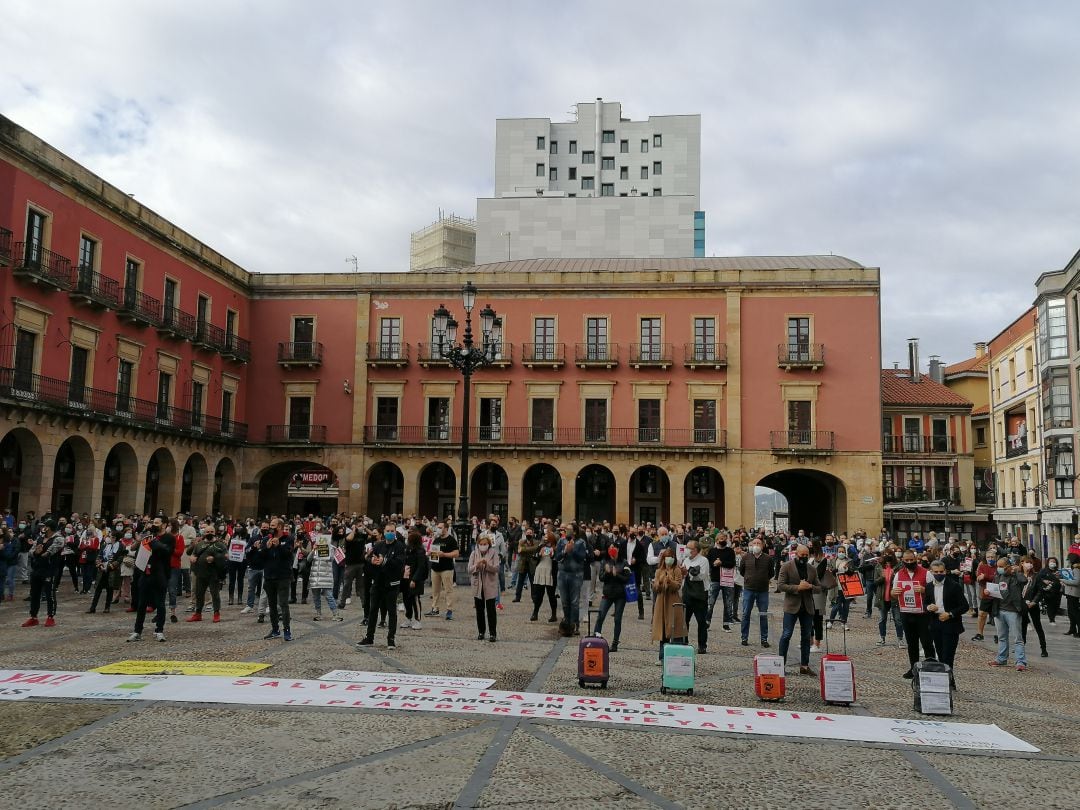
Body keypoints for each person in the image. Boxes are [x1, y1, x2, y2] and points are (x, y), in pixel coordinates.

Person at [127, 519, 177, 643]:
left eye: (157, 523)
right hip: (145, 574)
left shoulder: (169, 538)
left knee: (160, 603)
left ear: (164, 525)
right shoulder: (147, 537)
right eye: (153, 523)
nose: (154, 525)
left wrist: (154, 542)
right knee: (141, 603)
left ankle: (159, 630)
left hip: (160, 574)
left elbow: (167, 552)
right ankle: (137, 631)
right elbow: (139, 553)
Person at [357, 523, 406, 649]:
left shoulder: (400, 546)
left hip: (392, 584)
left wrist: (385, 561)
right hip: (378, 582)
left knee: (391, 612)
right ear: (383, 532)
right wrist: (371, 561)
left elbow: (400, 563)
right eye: (388, 531)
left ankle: (391, 639)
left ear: (395, 532)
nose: (390, 533)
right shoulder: (379, 545)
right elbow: (368, 558)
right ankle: (369, 638)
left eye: (392, 531)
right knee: (373, 610)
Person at [776, 543, 820, 675]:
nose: (805, 557)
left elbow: (819, 588)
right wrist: (797, 588)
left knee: (806, 637)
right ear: (796, 554)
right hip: (791, 606)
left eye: (807, 555)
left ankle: (804, 666)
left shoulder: (812, 569)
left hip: (807, 607)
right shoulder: (786, 566)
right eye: (802, 555)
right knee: (786, 635)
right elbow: (781, 585)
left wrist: (810, 586)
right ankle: (780, 665)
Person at [893, 549, 936, 678]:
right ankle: (914, 668)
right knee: (911, 643)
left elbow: (935, 592)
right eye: (907, 560)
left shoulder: (926, 573)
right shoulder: (899, 574)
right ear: (903, 561)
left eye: (912, 560)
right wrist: (895, 593)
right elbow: (893, 594)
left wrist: (924, 590)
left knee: (927, 642)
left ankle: (931, 667)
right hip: (906, 612)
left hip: (923, 613)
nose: (910, 562)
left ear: (916, 559)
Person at [925, 559, 967, 686]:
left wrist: (950, 614)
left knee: (948, 654)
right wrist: (928, 607)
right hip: (935, 622)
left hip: (951, 623)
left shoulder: (954, 585)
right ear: (931, 572)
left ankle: (948, 681)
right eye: (936, 572)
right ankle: (946, 680)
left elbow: (964, 606)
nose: (939, 574)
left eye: (941, 571)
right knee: (940, 652)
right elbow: (925, 602)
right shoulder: (928, 586)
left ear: (945, 571)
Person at [988, 555, 1028, 670]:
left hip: (1013, 610)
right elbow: (994, 588)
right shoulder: (997, 576)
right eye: (998, 566)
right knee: (1002, 636)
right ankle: (1001, 658)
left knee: (1017, 637)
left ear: (1007, 566)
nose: (999, 568)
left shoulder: (1014, 577)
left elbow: (1024, 580)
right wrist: (988, 592)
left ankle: (1020, 661)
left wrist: (1016, 572)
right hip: (999, 609)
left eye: (1001, 566)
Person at [23, 520, 63, 627]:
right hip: (37, 569)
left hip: (50, 570)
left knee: (50, 594)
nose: (43, 528)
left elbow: (50, 551)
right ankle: (33, 617)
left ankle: (50, 616)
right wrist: (36, 552)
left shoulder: (58, 538)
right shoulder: (40, 538)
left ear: (49, 528)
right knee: (34, 593)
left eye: (45, 526)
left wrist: (43, 552)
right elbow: (32, 551)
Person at [259, 519, 295, 641]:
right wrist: (266, 548)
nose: (270, 528)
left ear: (279, 527)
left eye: (273, 526)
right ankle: (275, 629)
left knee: (284, 604)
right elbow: (261, 558)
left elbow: (289, 555)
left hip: (283, 577)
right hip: (269, 577)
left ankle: (287, 630)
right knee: (272, 605)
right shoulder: (266, 539)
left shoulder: (288, 539)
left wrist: (279, 546)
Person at [651, 547, 686, 664]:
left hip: (673, 602)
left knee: (675, 628)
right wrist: (660, 582)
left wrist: (670, 582)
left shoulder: (677, 570)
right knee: (663, 630)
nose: (669, 559)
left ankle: (677, 655)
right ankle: (662, 657)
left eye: (671, 557)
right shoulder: (659, 571)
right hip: (661, 603)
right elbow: (655, 588)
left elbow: (678, 585)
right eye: (666, 557)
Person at [593, 544, 630, 651]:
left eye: (614, 548)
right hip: (607, 594)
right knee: (600, 617)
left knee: (617, 619)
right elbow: (601, 578)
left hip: (620, 595)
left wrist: (616, 574)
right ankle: (596, 639)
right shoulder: (604, 561)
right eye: (610, 548)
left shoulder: (624, 562)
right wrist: (607, 573)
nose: (612, 550)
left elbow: (627, 578)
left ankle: (615, 643)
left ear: (618, 550)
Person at [187, 527, 226, 623]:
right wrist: (192, 557)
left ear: (215, 532)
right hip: (200, 573)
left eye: (212, 531)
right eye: (207, 532)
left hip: (214, 574)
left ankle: (216, 613)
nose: (209, 533)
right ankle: (198, 613)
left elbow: (226, 556)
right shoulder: (199, 544)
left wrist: (214, 558)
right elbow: (194, 554)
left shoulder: (220, 544)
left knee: (215, 594)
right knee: (199, 594)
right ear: (204, 533)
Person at [738, 538, 772, 648]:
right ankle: (744, 637)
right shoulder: (745, 557)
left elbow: (771, 573)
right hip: (749, 589)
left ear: (762, 546)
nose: (756, 545)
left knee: (763, 614)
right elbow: (742, 571)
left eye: (758, 543)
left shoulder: (768, 558)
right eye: (754, 543)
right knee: (746, 613)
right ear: (751, 545)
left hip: (763, 591)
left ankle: (764, 639)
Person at [556, 528, 588, 633]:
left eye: (570, 529)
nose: (568, 532)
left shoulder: (581, 542)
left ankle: (575, 624)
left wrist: (573, 550)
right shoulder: (561, 541)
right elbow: (557, 557)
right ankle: (566, 624)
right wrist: (565, 551)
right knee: (565, 601)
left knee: (574, 602)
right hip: (562, 574)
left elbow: (582, 558)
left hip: (576, 575)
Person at [469, 533, 500, 642]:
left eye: (485, 544)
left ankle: (493, 633)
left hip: (489, 585)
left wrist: (487, 565)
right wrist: (477, 566)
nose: (483, 545)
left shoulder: (494, 553)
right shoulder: (474, 553)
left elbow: (496, 568)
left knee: (491, 610)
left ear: (488, 544)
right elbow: (469, 569)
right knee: (479, 610)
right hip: (478, 585)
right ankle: (481, 632)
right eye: (481, 544)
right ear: (478, 544)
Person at [682, 540, 711, 654]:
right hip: (687, 593)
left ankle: (702, 645)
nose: (687, 550)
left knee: (701, 621)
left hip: (700, 594)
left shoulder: (703, 560)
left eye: (689, 548)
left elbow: (701, 575)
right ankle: (684, 642)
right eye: (686, 547)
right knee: (685, 620)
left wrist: (688, 572)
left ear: (696, 550)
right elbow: (684, 576)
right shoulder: (686, 560)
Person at [87, 530, 125, 614]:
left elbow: (120, 558)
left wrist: (111, 566)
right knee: (98, 589)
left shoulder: (121, 546)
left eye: (110, 536)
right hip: (102, 570)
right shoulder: (105, 545)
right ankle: (92, 607)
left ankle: (107, 607)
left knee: (109, 589)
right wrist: (99, 564)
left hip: (112, 571)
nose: (108, 537)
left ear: (115, 538)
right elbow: (99, 555)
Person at [309, 529, 342, 622]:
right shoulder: (315, 546)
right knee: (316, 597)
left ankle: (336, 614)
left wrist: (325, 549)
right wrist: (314, 550)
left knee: (329, 596)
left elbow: (331, 559)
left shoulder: (332, 548)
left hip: (326, 576)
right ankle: (318, 614)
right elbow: (308, 559)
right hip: (315, 576)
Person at [427, 523, 458, 621]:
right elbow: (433, 551)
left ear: (446, 528)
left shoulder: (451, 540)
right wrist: (430, 553)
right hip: (435, 568)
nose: (438, 529)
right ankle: (435, 608)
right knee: (435, 590)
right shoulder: (436, 539)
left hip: (447, 568)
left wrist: (444, 554)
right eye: (438, 527)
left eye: (440, 527)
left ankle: (449, 610)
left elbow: (456, 553)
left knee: (448, 590)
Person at [1020, 558, 1050, 658]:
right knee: (1023, 626)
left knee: (1038, 626)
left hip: (1033, 604)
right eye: (1027, 563)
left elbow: (1040, 591)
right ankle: (1021, 647)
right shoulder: (1018, 576)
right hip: (1022, 604)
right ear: (1022, 564)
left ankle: (1044, 649)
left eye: (1030, 563)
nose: (1028, 565)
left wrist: (1034, 602)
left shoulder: (1035, 576)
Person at [874, 552, 905, 647]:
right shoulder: (879, 567)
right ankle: (882, 637)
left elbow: (902, 580)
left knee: (898, 620)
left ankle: (900, 639)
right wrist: (882, 578)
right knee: (882, 619)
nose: (888, 561)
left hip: (894, 597)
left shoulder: (898, 567)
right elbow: (875, 581)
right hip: (882, 597)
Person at [706, 532, 736, 631]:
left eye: (724, 538)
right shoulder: (712, 551)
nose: (723, 540)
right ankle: (707, 622)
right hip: (715, 579)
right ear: (717, 540)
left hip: (727, 579)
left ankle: (726, 623)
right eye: (721, 538)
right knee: (710, 602)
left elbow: (732, 563)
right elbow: (709, 563)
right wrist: (714, 564)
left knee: (728, 603)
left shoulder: (730, 551)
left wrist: (721, 563)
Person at [530, 531, 558, 623]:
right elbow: (534, 556)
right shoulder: (541, 546)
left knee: (551, 595)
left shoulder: (556, 548)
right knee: (539, 594)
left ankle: (554, 614)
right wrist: (539, 554)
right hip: (540, 570)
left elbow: (558, 559)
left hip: (550, 572)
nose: (545, 539)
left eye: (547, 537)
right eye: (544, 537)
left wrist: (552, 555)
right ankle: (535, 612)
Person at [972, 548, 999, 642]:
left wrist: (986, 577)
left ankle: (999, 634)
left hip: (997, 595)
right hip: (986, 594)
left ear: (996, 558)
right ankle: (980, 634)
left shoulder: (999, 567)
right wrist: (983, 577)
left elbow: (997, 578)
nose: (990, 558)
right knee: (982, 614)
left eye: (992, 557)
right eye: (988, 557)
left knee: (998, 616)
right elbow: (979, 578)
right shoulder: (982, 566)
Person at [1063, 554, 1080, 637]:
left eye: (1069, 560)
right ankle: (1072, 629)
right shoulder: (1073, 568)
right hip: (1070, 593)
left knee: (1075, 613)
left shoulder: (1076, 569)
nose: (1068, 561)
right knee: (1070, 613)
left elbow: (1076, 582)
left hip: (1074, 594)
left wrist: (1064, 580)